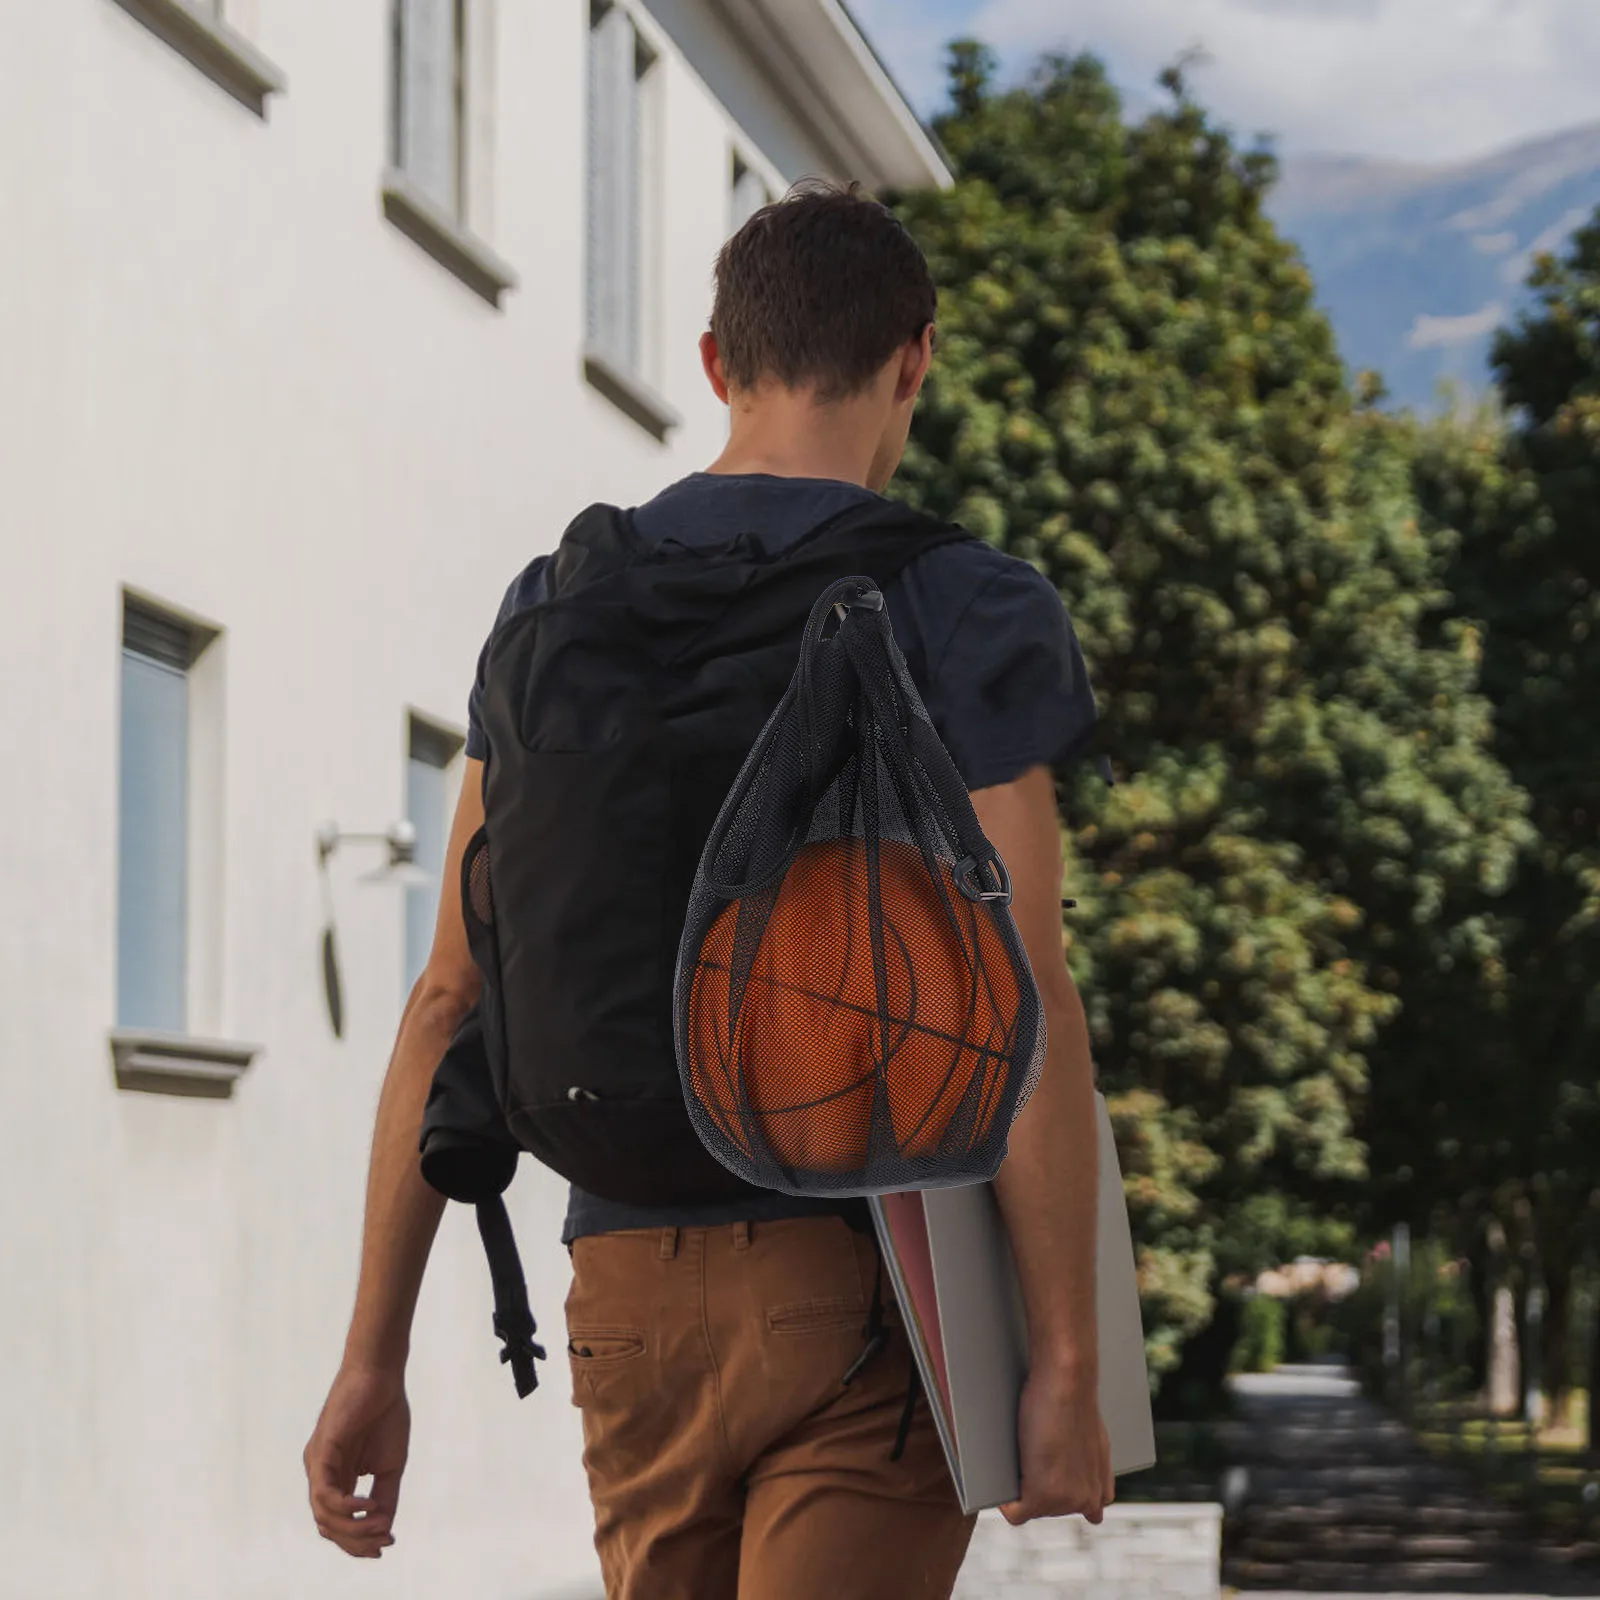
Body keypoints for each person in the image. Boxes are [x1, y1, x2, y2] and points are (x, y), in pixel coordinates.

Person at [304, 182, 1112, 1599]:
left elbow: (450, 997)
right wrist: (1063, 1363)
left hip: (622, 1290)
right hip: (868, 1273)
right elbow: (1025, 997)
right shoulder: (963, 603)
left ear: (714, 364)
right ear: (915, 357)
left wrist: (372, 1360)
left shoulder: (552, 603)